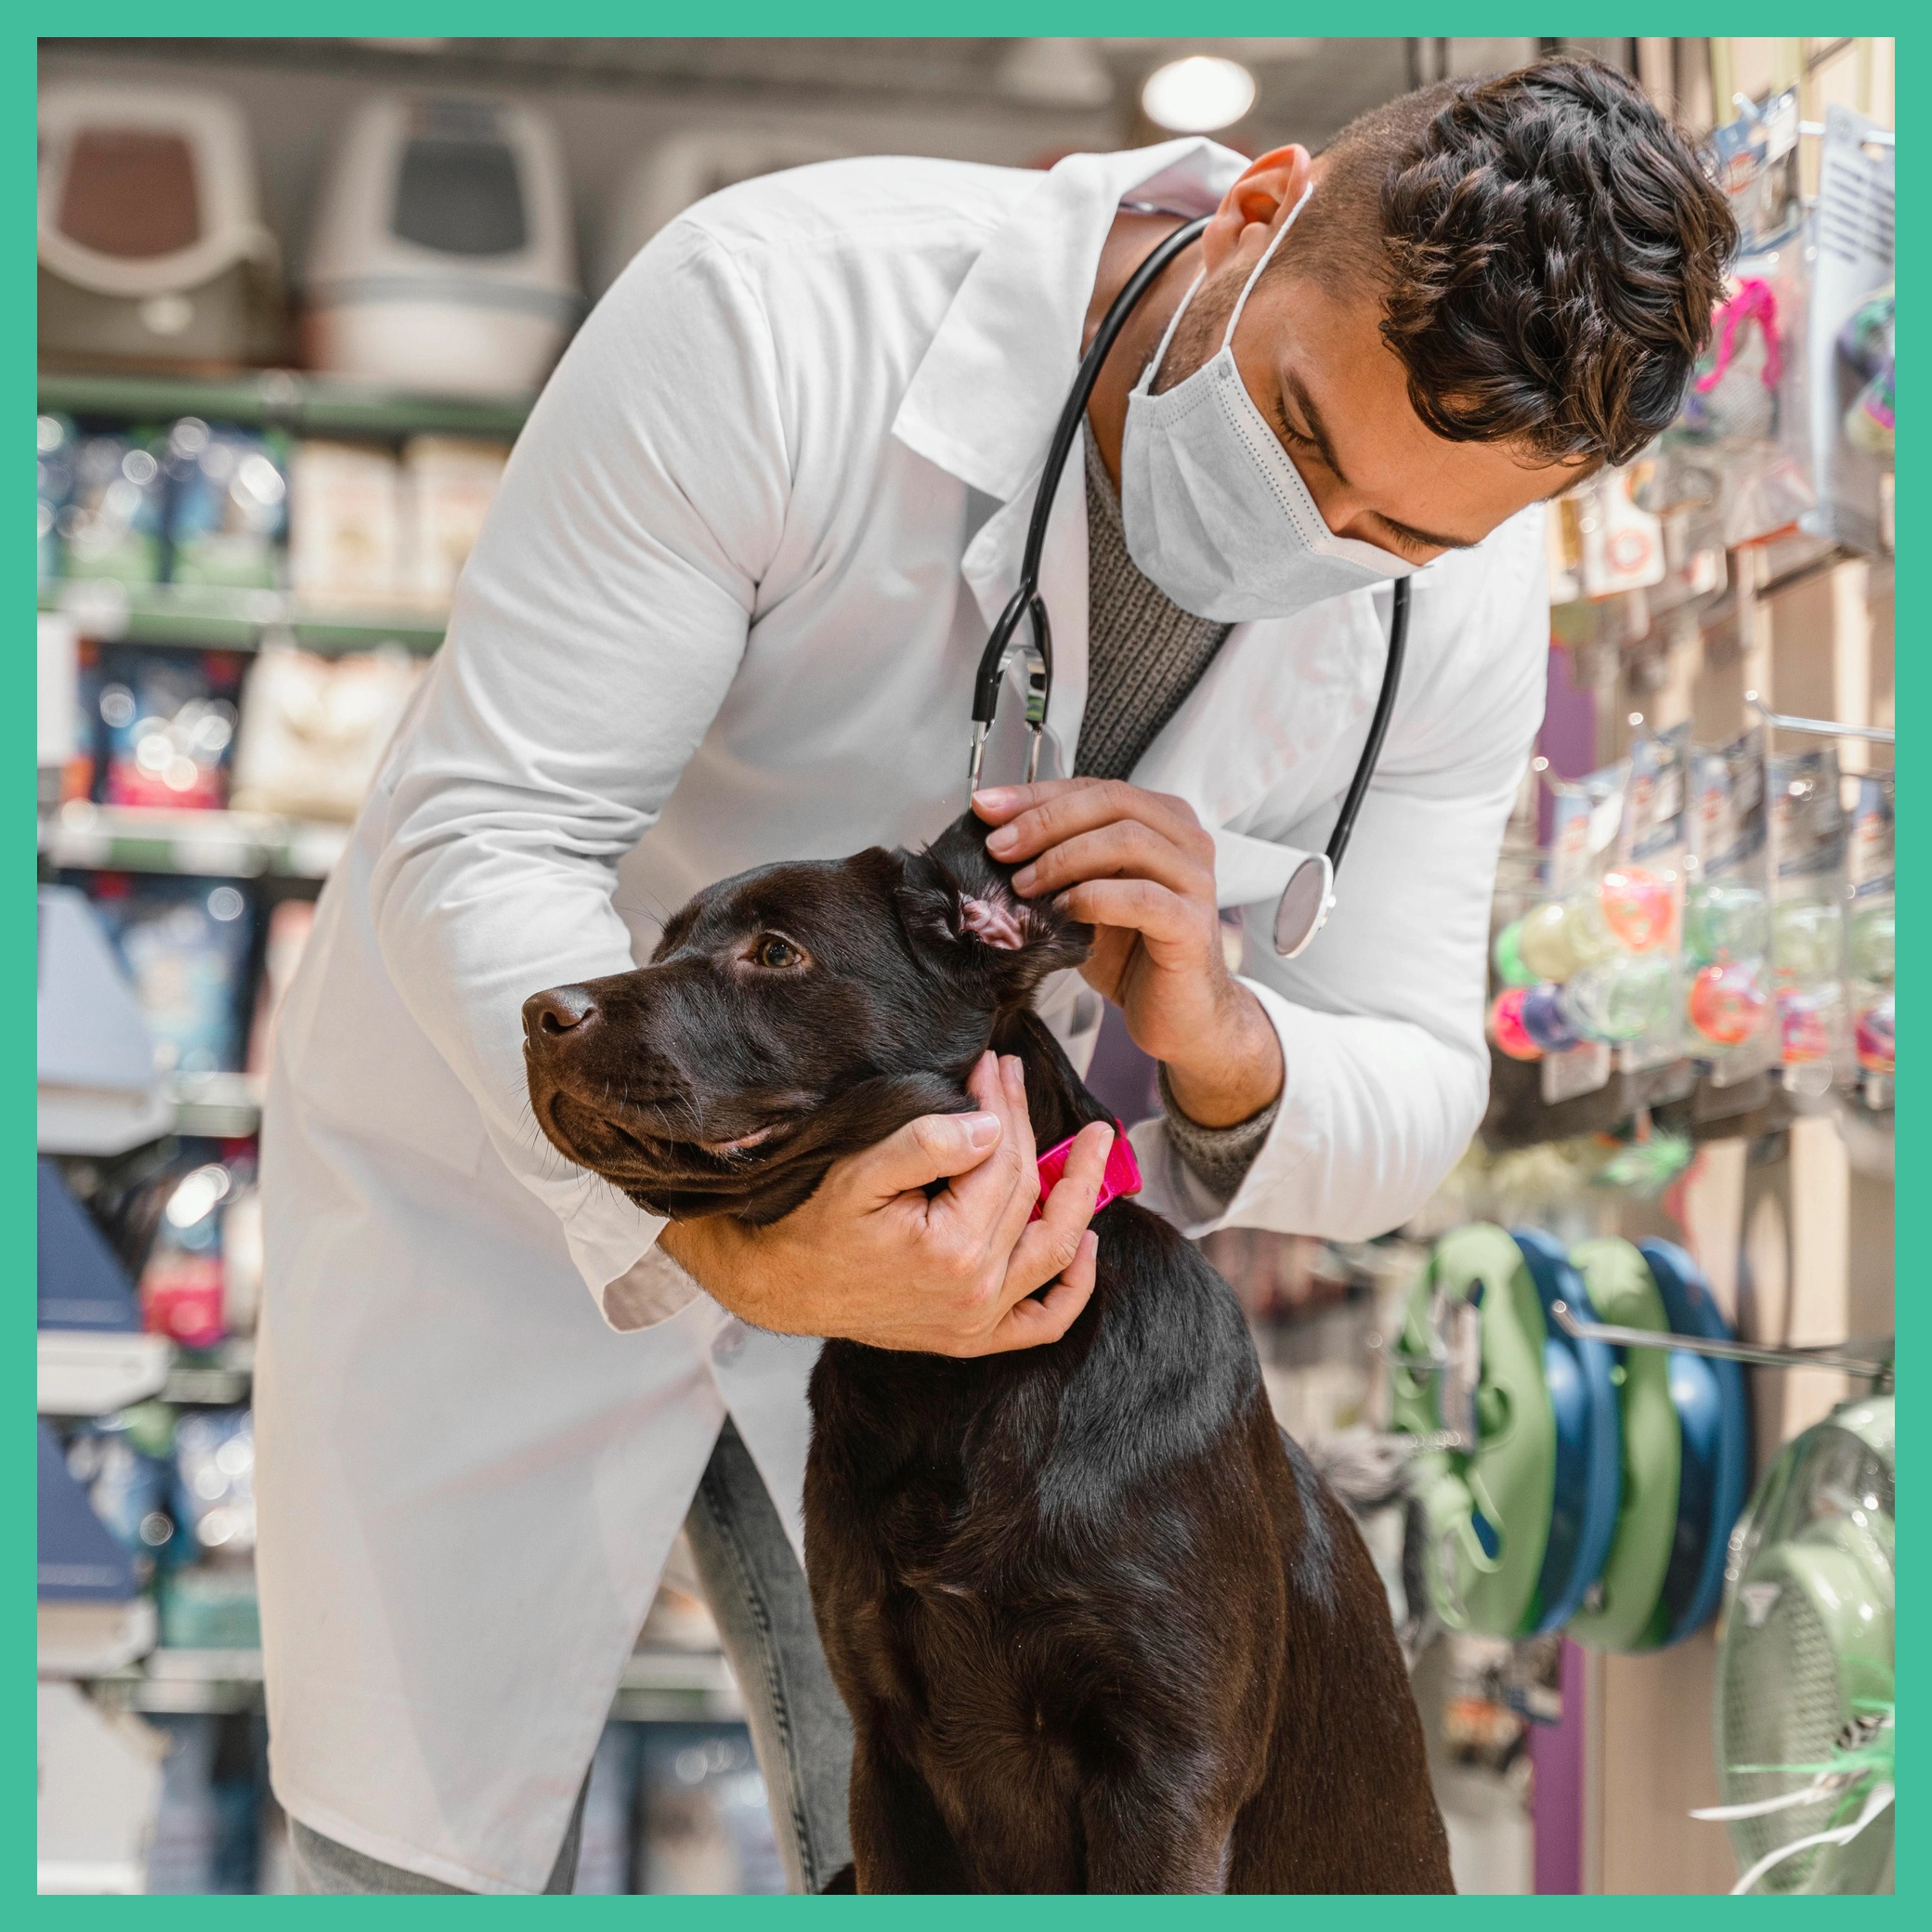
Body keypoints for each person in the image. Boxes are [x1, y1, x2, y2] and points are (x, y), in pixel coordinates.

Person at [256, 55, 1733, 1893]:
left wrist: (1216, 1032)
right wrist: (723, 1240)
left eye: (1405, 533)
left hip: (967, 1337)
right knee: (417, 1854)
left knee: (929, 1841)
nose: (1317, 534)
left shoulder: (1459, 605)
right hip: (525, 1183)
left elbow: (1412, 1091)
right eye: (1294, 427)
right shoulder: (778, 313)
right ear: (1255, 207)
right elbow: (485, 834)